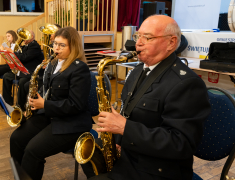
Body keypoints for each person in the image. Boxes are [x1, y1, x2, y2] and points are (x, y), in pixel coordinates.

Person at [82, 15, 211, 180]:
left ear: (171, 43)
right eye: (138, 36)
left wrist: (124, 128)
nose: (138, 43)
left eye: (148, 38)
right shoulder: (138, 70)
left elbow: (181, 144)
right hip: (133, 152)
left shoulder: (187, 83)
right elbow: (131, 114)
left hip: (158, 170)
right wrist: (119, 139)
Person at [10, 26, 92, 180]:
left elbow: (76, 105)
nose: (56, 48)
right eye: (55, 44)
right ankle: (20, 176)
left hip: (71, 122)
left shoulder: (79, 69)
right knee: (16, 139)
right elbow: (47, 89)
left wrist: (44, 105)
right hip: (50, 115)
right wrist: (35, 100)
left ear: (73, 46)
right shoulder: (53, 63)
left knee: (32, 150)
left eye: (62, 45)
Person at [19, 24, 62, 111]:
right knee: (25, 83)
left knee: (27, 84)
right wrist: (47, 63)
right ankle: (25, 107)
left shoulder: (57, 48)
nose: (51, 35)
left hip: (52, 75)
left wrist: (50, 64)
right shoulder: (50, 46)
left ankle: (34, 107)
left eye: (52, 33)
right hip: (47, 72)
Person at [2, 30, 44, 106]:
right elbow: (20, 55)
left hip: (31, 72)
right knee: (6, 76)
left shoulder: (35, 46)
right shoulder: (25, 46)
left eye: (26, 37)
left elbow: (24, 57)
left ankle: (20, 105)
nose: (24, 39)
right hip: (23, 70)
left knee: (22, 81)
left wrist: (12, 52)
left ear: (31, 37)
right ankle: (7, 101)